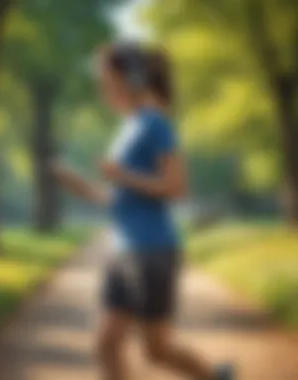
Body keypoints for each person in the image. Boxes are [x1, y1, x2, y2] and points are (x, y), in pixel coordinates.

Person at [53, 42, 234, 380]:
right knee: (106, 345)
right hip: (123, 250)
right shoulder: (128, 127)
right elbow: (117, 199)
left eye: (106, 79)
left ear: (131, 79)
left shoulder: (154, 123)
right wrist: (77, 184)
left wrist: (122, 175)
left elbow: (177, 187)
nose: (101, 88)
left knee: (156, 350)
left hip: (151, 249)